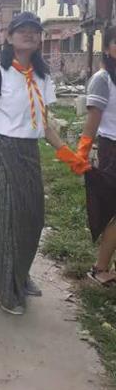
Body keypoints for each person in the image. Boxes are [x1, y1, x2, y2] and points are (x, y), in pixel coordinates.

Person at [0, 12, 87, 316]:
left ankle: (20, 274)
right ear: (9, 37)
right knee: (7, 219)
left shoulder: (43, 77)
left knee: (32, 218)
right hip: (1, 148)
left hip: (29, 150)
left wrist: (67, 153)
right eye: (22, 30)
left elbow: (44, 125)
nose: (30, 34)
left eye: (35, 31)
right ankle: (6, 290)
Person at [77, 26, 116, 285]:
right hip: (112, 148)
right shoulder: (103, 79)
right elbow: (93, 120)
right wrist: (82, 152)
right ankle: (100, 267)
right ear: (107, 48)